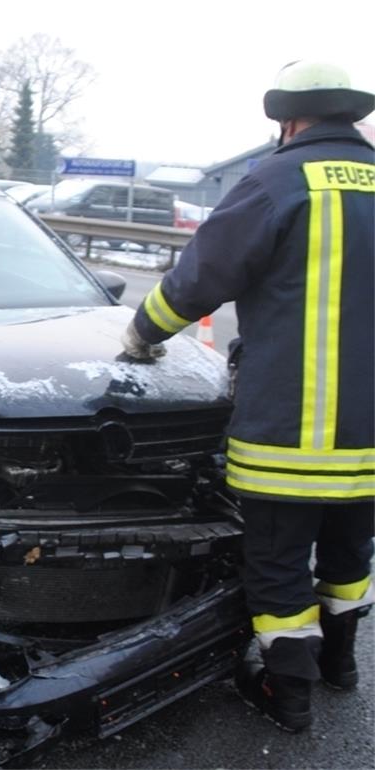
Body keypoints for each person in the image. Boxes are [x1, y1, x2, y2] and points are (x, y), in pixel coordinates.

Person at [121, 60, 374, 731]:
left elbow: (200, 278)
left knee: (279, 565)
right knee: (351, 555)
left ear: (287, 120)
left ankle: (288, 698)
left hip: (291, 433)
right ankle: (340, 666)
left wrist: (142, 334)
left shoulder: (277, 180)